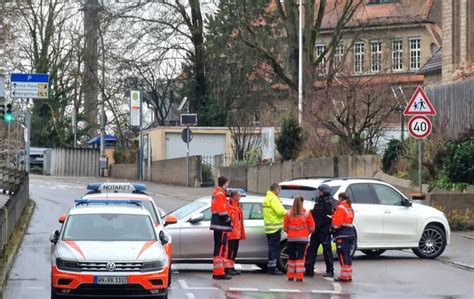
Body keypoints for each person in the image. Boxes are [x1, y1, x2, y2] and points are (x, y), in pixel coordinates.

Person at [304, 184, 337, 277]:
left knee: (327, 251)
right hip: (317, 229)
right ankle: (309, 269)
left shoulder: (329, 202)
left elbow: (327, 215)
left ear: (324, 191)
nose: (318, 193)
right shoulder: (320, 200)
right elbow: (316, 213)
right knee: (312, 250)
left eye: (320, 191)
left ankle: (330, 270)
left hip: (324, 230)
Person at [284, 196, 315, 282]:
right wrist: (306, 233)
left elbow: (285, 228)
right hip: (303, 239)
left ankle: (290, 276)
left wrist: (291, 233)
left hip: (291, 238)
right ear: (302, 202)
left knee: (291, 257)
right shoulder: (307, 213)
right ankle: (299, 277)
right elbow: (312, 227)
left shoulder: (288, 213)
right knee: (300, 257)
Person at [210, 176, 233, 280]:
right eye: (227, 184)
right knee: (220, 248)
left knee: (218, 248)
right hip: (221, 224)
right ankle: (219, 273)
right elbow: (222, 211)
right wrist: (229, 220)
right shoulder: (220, 194)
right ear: (225, 183)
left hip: (216, 224)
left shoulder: (216, 193)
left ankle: (217, 271)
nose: (228, 186)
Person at [263, 183, 287, 275]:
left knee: (271, 248)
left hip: (269, 227)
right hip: (275, 227)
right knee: (274, 249)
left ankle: (271, 267)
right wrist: (288, 212)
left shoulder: (267, 198)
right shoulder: (274, 199)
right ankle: (272, 268)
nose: (279, 191)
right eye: (279, 190)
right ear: (276, 189)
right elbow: (280, 212)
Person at [332, 192, 356, 282]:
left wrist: (332, 223)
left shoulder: (341, 208)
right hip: (350, 233)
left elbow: (337, 224)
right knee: (347, 255)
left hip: (342, 234)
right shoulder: (349, 207)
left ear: (340, 198)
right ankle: (348, 275)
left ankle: (344, 276)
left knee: (342, 254)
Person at [224, 190, 246, 276]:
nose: (240, 197)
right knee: (230, 252)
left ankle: (231, 267)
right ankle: (228, 268)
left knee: (234, 252)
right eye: (239, 196)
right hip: (231, 234)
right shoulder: (229, 206)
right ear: (234, 196)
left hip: (236, 234)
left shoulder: (237, 206)